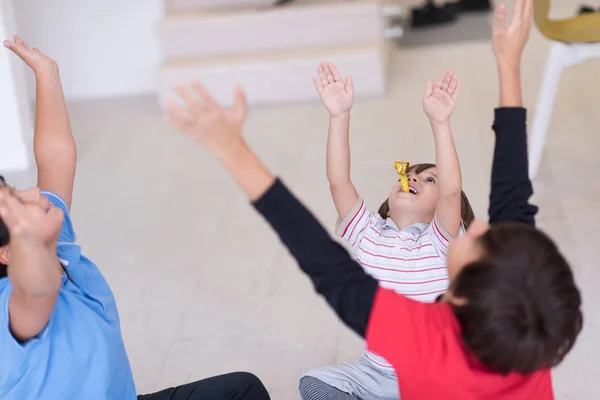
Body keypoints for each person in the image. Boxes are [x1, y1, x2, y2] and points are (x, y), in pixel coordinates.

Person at [164, 1, 582, 399]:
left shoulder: (420, 335)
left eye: (478, 241)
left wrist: (232, 150)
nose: (478, 226)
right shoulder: (525, 334)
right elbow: (513, 192)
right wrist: (508, 63)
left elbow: (321, 259)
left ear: (461, 297)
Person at [0, 36, 270, 400]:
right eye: (20, 205)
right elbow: (37, 288)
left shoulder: (57, 244)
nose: (35, 193)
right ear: (8, 253)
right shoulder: (12, 309)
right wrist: (29, 241)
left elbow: (56, 156)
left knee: (243, 390)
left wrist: (47, 74)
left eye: (18, 191)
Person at [299, 63, 474, 400]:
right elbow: (338, 180)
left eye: (429, 180)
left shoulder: (441, 242)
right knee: (313, 381)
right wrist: (338, 116)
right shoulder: (368, 233)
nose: (414, 179)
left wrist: (440, 123)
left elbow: (452, 192)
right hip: (374, 372)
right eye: (409, 175)